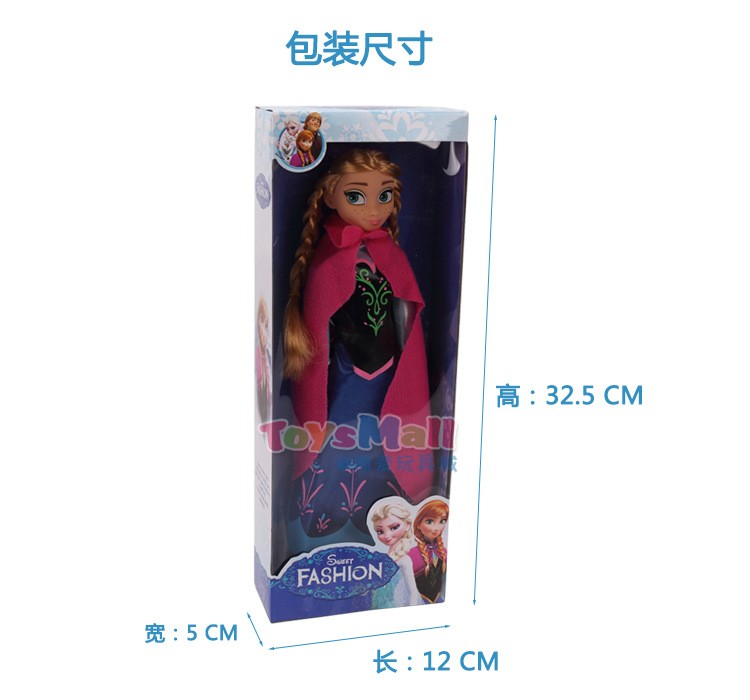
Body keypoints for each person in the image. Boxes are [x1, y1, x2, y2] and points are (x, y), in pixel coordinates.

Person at [283, 150, 433, 541]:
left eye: (384, 196)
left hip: (389, 377)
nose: (373, 209)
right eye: (356, 196)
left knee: (386, 439)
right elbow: (319, 324)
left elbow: (407, 316)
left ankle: (387, 516)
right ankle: (326, 514)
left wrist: (406, 361)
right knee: (337, 438)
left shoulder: (391, 256)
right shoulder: (327, 260)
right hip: (342, 375)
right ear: (330, 196)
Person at [369, 498, 421, 608]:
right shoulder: (384, 558)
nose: (387, 536)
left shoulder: (404, 560)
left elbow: (412, 593)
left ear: (407, 525)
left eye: (394, 527)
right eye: (380, 531)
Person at [408, 499, 448, 603]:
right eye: (430, 521)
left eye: (442, 521)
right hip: (417, 600)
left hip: (438, 599)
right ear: (418, 524)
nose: (437, 528)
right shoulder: (413, 554)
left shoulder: (443, 551)